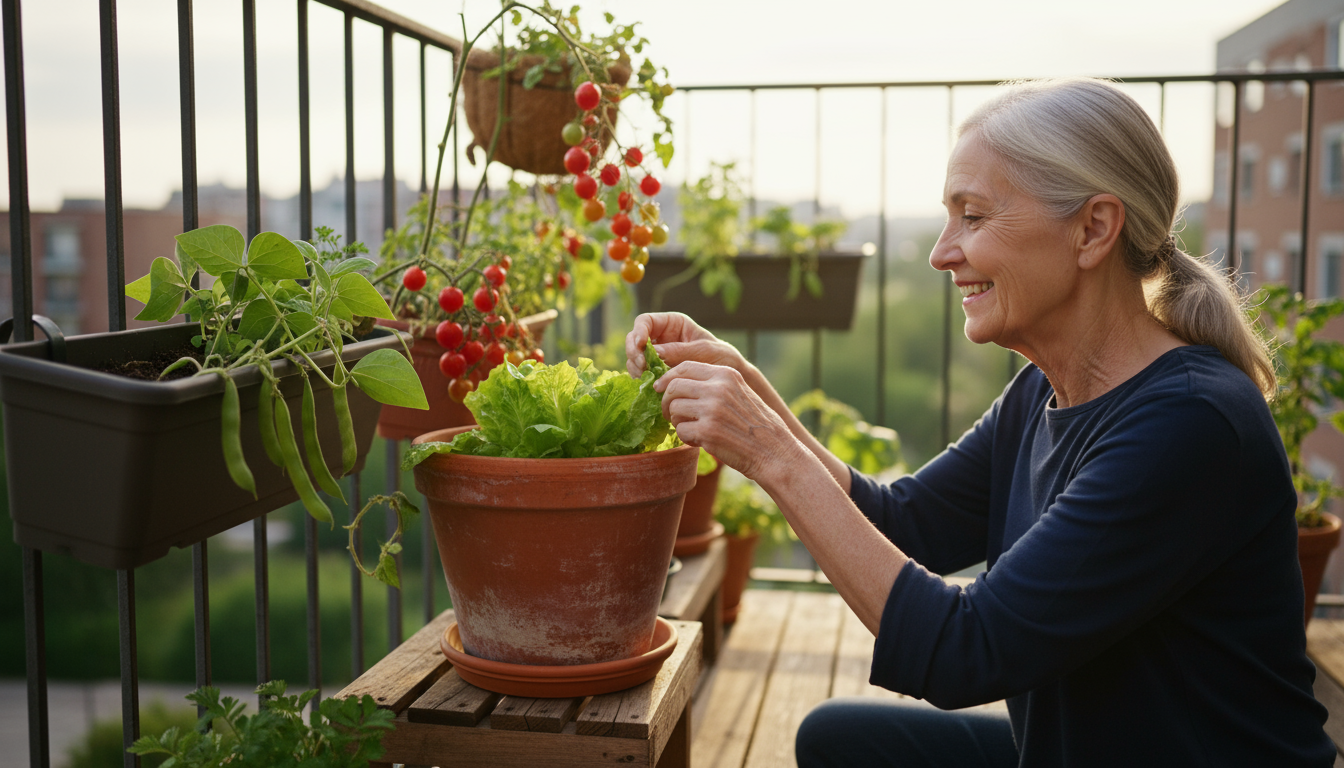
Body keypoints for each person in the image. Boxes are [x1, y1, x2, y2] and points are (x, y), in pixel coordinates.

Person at [625, 78, 1335, 767]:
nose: (940, 252)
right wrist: (745, 383)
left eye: (973, 216)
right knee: (836, 740)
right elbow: (906, 522)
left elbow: (967, 652)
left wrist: (770, 453)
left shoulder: (1190, 424)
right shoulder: (1042, 394)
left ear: (1092, 229)